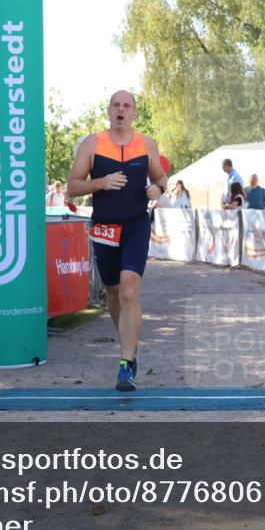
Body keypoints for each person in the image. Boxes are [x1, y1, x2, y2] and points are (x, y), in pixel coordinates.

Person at [67, 90, 168, 392]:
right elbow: (72, 186)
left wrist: (158, 190)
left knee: (128, 288)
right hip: (105, 228)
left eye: (127, 106)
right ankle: (130, 344)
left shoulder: (146, 144)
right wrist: (101, 183)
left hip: (137, 225)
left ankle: (126, 364)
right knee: (113, 293)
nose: (121, 110)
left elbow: (162, 179)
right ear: (109, 111)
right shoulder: (92, 144)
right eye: (116, 105)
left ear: (134, 113)